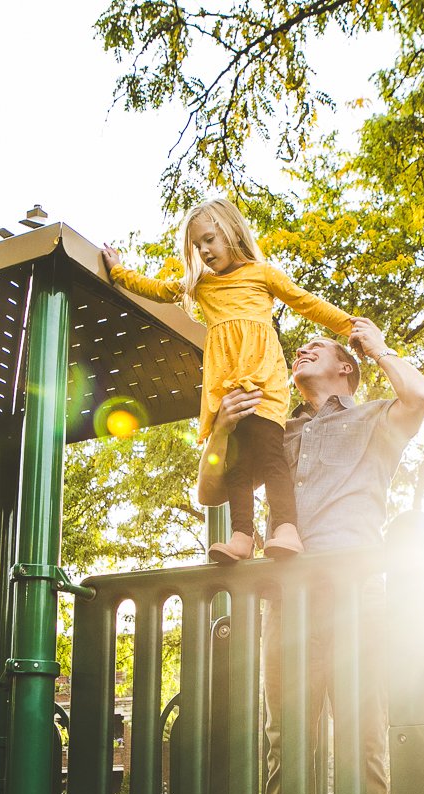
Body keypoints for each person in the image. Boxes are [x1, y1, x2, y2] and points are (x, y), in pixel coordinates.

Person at [197, 318, 424, 794]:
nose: (301, 348)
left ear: (346, 367)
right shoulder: (277, 431)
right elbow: (210, 490)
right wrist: (220, 430)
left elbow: (421, 397)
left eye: (318, 346)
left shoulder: (376, 420)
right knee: (287, 743)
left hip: (356, 598)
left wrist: (375, 345)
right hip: (289, 603)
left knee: (362, 741)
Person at [103, 197, 354, 563]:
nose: (203, 250)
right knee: (237, 466)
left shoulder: (261, 274)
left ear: (231, 232)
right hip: (228, 392)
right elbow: (157, 289)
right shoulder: (202, 286)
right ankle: (241, 537)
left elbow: (305, 302)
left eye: (209, 239)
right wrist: (119, 272)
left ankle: (286, 528)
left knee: (270, 457)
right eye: (197, 245)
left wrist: (350, 326)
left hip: (263, 385)